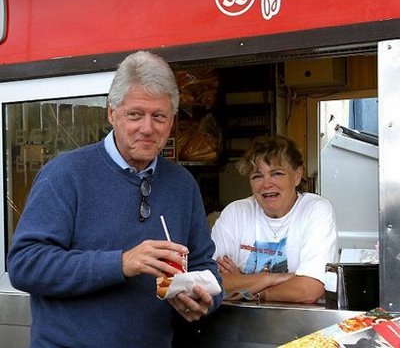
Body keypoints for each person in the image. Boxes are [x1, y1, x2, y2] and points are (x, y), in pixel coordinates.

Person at [7, 50, 223, 348]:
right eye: (135, 114)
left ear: (172, 120)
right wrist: (121, 263)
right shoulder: (66, 174)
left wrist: (206, 299)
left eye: (159, 116)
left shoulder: (182, 185)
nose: (147, 128)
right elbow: (25, 265)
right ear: (112, 113)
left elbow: (204, 264)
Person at [211, 134, 337, 304]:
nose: (266, 184)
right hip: (239, 323)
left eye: (276, 173)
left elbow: (309, 290)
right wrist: (270, 279)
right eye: (257, 176)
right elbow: (211, 282)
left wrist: (247, 289)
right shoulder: (235, 213)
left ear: (297, 176)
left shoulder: (315, 210)